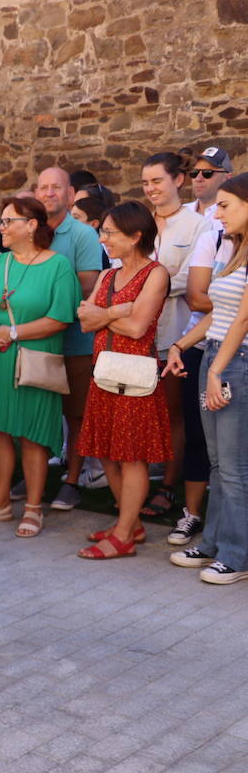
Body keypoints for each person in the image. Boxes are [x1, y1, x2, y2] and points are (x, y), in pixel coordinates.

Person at [0, 196, 81, 538]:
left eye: (7, 221)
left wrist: (12, 333)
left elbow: (60, 318)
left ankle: (32, 507)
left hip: (32, 360)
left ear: (31, 226)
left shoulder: (57, 266)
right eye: (0, 221)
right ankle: (0, 503)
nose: (0, 228)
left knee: (32, 435)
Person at [73, 202, 171, 559]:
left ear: (136, 236)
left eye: (110, 232)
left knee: (132, 458)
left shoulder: (155, 274)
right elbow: (84, 320)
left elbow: (137, 327)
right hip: (105, 372)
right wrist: (117, 310)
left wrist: (104, 315)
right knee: (107, 453)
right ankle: (130, 525)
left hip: (135, 378)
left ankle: (124, 536)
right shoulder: (108, 276)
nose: (103, 239)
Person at [163, 173, 248, 582]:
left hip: (236, 363)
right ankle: (215, 543)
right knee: (217, 463)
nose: (217, 212)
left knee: (234, 467)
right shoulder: (234, 249)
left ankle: (238, 554)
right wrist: (181, 345)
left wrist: (216, 371)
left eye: (227, 204)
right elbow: (219, 314)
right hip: (216, 353)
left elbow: (244, 318)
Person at [22, 167, 104, 512]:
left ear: (71, 195)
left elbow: (87, 285)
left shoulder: (83, 234)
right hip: (36, 339)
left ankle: (72, 480)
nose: (49, 193)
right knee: (35, 410)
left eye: (57, 187)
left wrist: (44, 302)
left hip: (73, 340)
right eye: (43, 187)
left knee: (76, 414)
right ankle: (31, 476)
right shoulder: (29, 230)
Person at [140, 153, 212, 520]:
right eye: (146, 182)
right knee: (139, 409)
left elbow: (194, 279)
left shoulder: (199, 225)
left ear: (178, 181)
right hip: (135, 334)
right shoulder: (138, 222)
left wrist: (150, 285)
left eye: (157, 181)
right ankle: (139, 480)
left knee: (173, 414)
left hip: (176, 332)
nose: (151, 188)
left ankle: (169, 485)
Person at [186, 146, 232, 226]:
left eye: (207, 173)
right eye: (194, 172)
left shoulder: (234, 217)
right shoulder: (182, 212)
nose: (198, 178)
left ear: (227, 177)